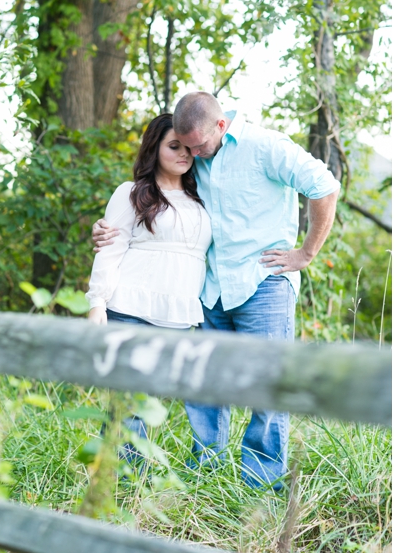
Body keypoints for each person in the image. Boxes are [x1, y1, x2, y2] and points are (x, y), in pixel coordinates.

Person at [92, 91, 340, 490]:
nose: (193, 155)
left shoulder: (265, 147)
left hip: (263, 283)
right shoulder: (194, 162)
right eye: (184, 147)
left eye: (198, 146)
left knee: (268, 385)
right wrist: (106, 230)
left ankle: (260, 487)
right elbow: (151, 205)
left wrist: (306, 253)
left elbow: (324, 186)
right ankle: (207, 474)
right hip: (211, 291)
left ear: (220, 126)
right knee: (204, 386)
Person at [85, 113, 211, 463]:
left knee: (150, 404)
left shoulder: (203, 197)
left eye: (188, 148)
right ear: (154, 149)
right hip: (131, 309)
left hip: (178, 314)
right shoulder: (132, 193)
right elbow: (110, 249)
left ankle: (127, 478)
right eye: (174, 147)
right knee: (127, 404)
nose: (183, 154)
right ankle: (120, 483)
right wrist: (97, 303)